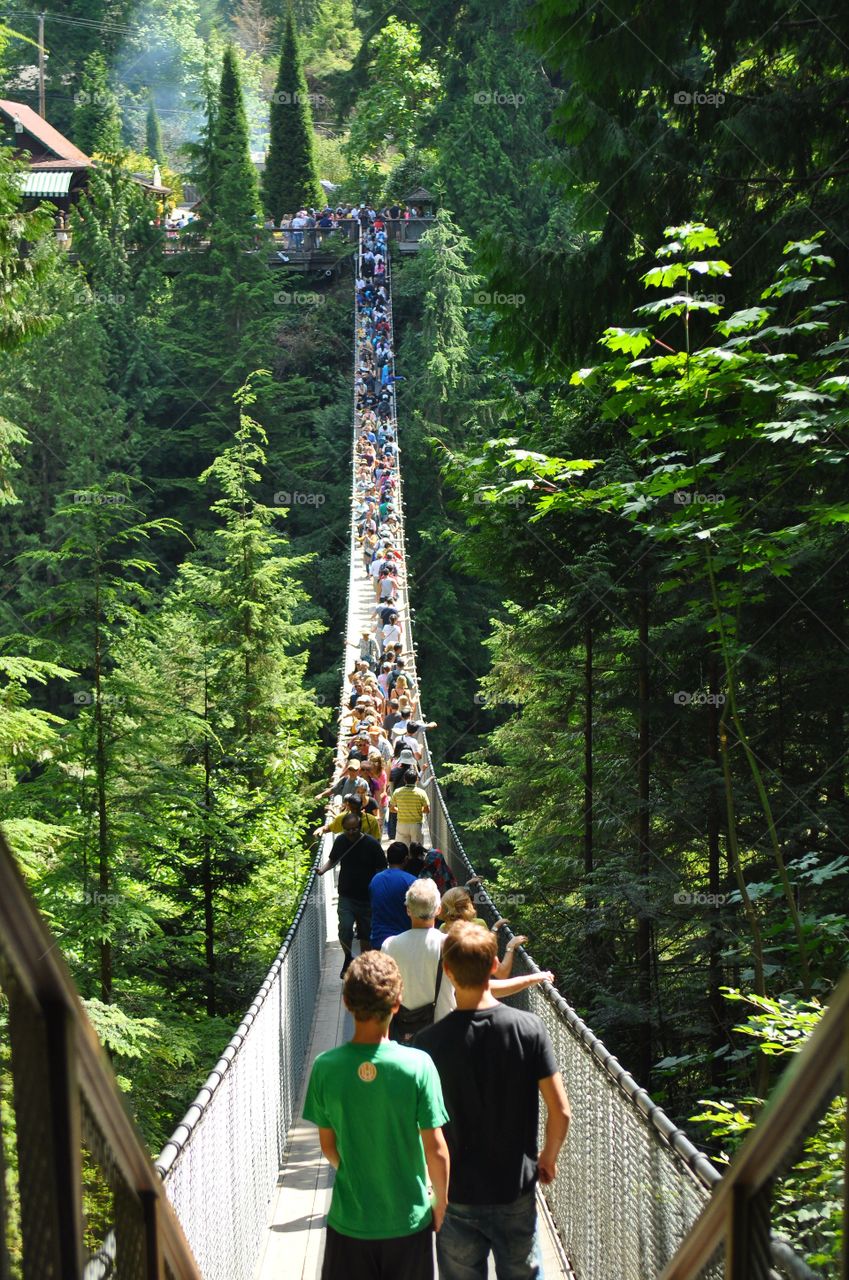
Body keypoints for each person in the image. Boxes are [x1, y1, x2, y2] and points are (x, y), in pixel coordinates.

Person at [416, 923, 571, 1280]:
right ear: (493, 967)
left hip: (456, 1194)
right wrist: (547, 1159)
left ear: (448, 971)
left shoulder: (428, 1044)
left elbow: (420, 1125)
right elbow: (561, 1110)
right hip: (514, 1189)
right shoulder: (529, 1028)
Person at [303, 952, 450, 1280]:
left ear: (346, 1002)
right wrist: (440, 1203)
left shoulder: (325, 1068)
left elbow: (328, 1147)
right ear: (398, 1003)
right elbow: (436, 1149)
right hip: (408, 1221)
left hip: (350, 1224)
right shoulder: (418, 1065)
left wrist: (358, 1170)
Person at [383, 881, 555, 1044]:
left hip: (402, 1038)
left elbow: (384, 996)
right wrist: (533, 978)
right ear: (438, 910)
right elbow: (484, 989)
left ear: (408, 910)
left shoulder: (389, 945)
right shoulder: (450, 945)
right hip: (444, 1038)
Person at [317, 813, 386, 977]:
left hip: (367, 897)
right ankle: (348, 957)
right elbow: (333, 859)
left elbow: (382, 868)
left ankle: (364, 964)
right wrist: (322, 870)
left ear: (360, 827)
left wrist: (378, 889)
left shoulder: (372, 844)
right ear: (343, 829)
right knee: (345, 929)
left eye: (354, 829)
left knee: (366, 933)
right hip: (346, 894)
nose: (351, 832)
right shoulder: (340, 840)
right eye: (347, 830)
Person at [369, 841, 416, 948]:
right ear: (406, 859)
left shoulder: (375, 880)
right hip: (404, 942)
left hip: (379, 940)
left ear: (387, 859)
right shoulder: (412, 882)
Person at [390, 768, 430, 847]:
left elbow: (391, 808)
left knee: (402, 849)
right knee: (417, 851)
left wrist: (401, 810)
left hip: (402, 824)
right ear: (416, 780)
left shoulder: (397, 792)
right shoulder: (421, 793)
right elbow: (427, 810)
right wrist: (418, 810)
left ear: (405, 780)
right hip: (416, 825)